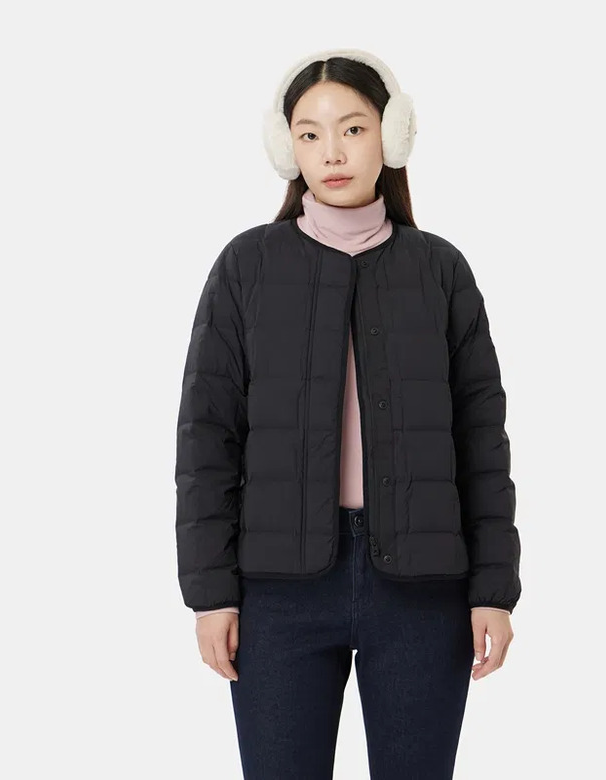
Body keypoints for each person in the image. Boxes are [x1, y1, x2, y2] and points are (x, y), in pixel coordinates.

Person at [175, 47, 522, 779]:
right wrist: (210, 594)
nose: (331, 152)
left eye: (353, 129)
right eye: (309, 134)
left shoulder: (440, 270)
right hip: (277, 595)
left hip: (424, 591)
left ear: (391, 137)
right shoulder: (246, 268)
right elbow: (207, 440)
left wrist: (493, 589)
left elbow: (481, 441)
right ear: (287, 147)